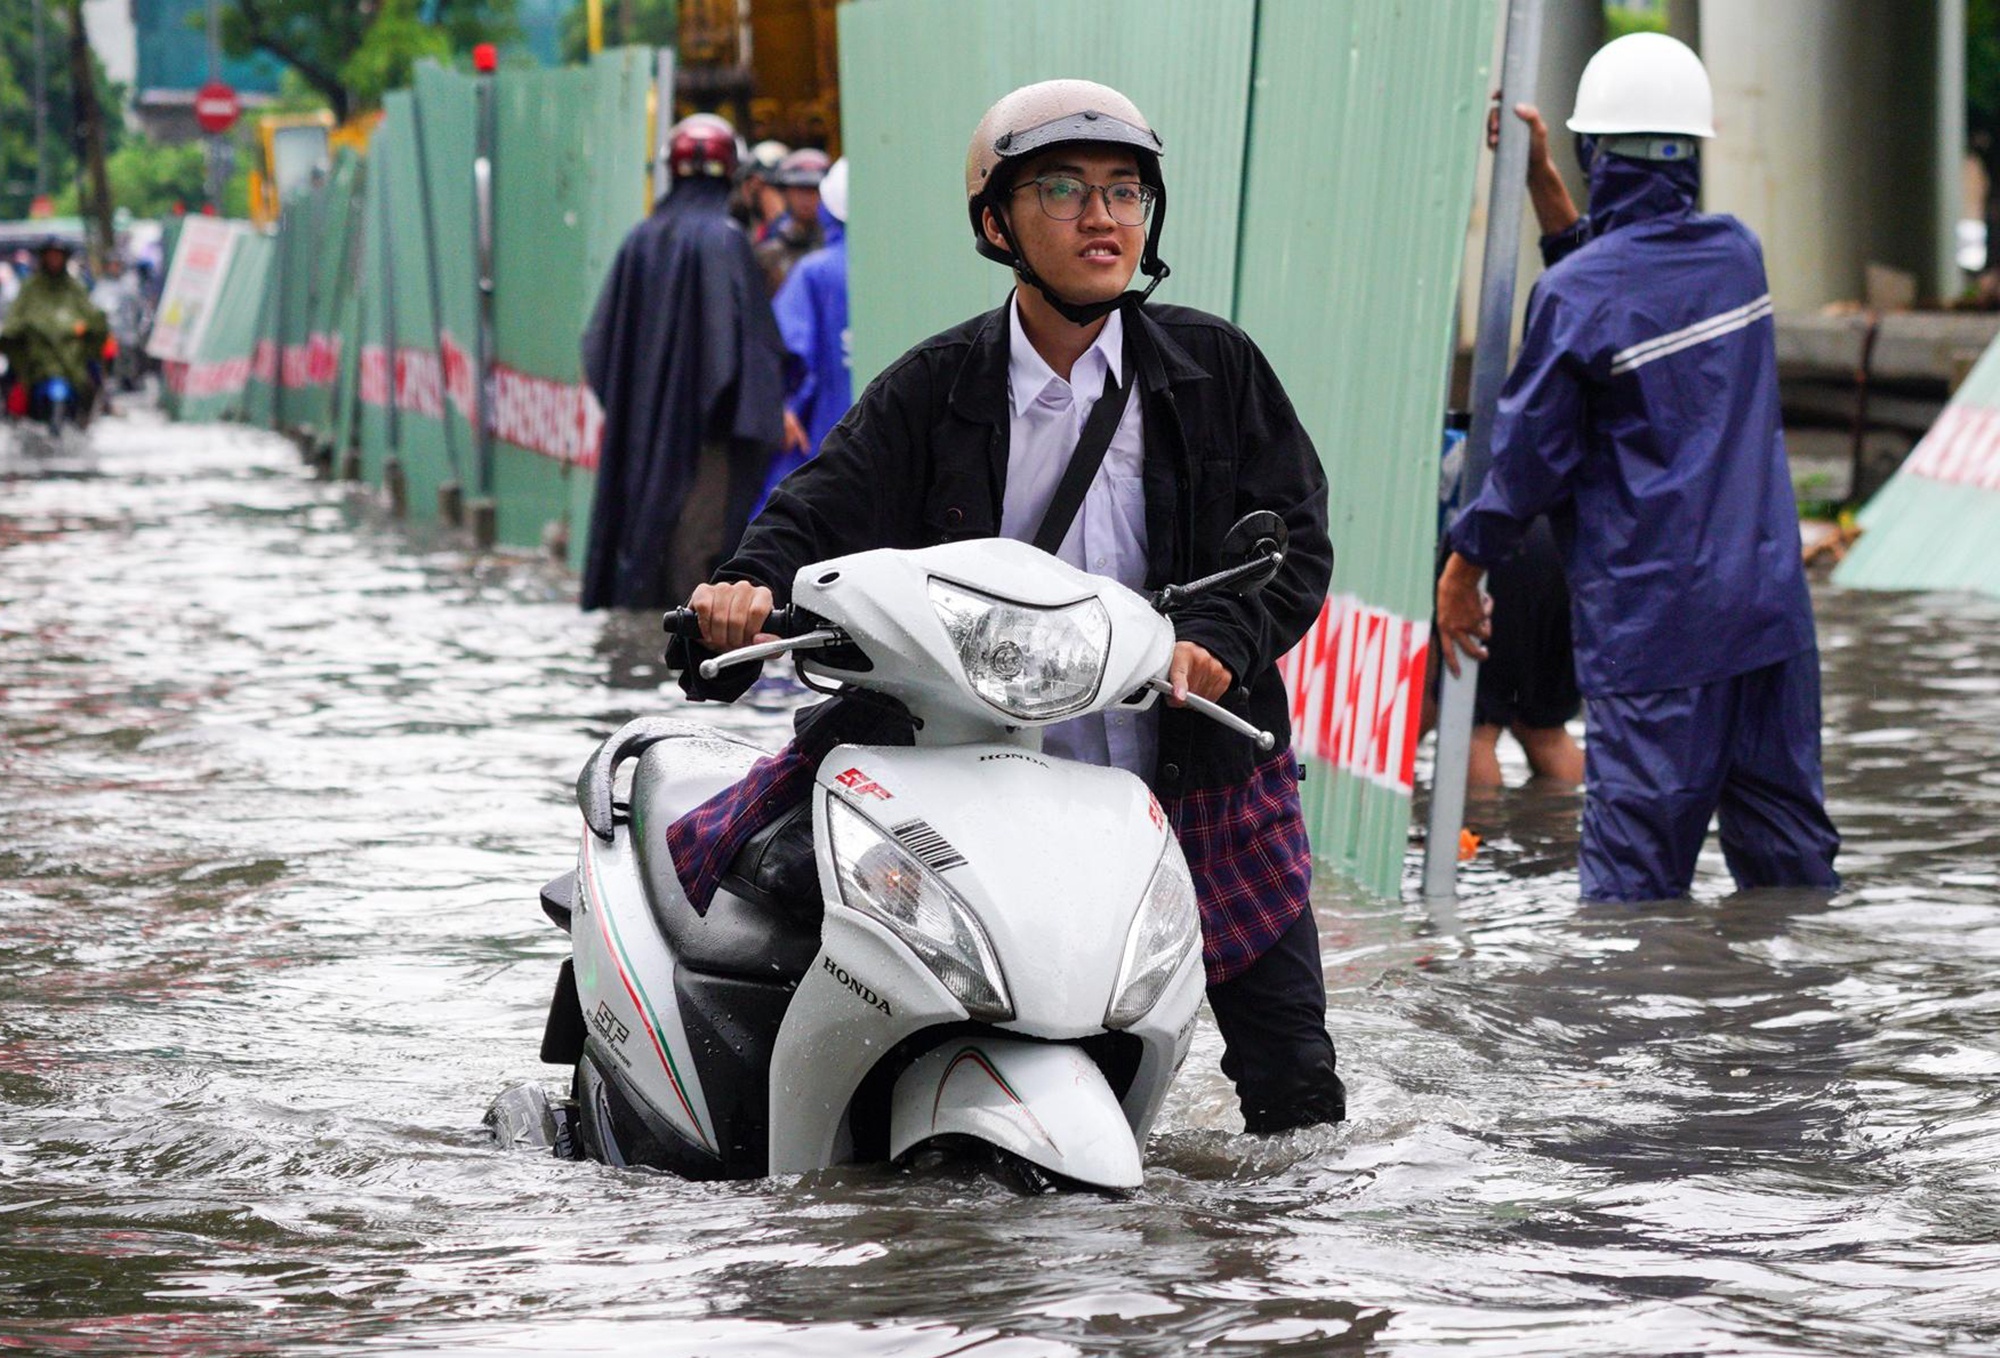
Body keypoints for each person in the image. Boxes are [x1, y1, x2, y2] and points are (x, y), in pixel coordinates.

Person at [677, 80, 1346, 1134]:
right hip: (972, 780)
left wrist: (1219, 640)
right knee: (814, 979)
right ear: (996, 223)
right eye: (1066, 191)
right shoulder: (934, 385)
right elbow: (813, 511)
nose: (1102, 218)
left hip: (1194, 775)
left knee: (1297, 1093)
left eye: (1125, 193)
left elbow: (1292, 537)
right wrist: (745, 587)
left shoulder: (1216, 369)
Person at [1435, 33, 1840, 901]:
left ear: (1596, 153)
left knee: (1633, 903)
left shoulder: (1577, 295)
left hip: (1658, 636)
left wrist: (1463, 570)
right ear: (1692, 150)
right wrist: (1541, 181)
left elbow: (1528, 461)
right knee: (1792, 875)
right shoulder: (1739, 259)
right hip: (1771, 622)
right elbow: (1619, 288)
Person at [579, 112, 787, 612]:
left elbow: (599, 346)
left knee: (648, 542)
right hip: (709, 440)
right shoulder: (726, 240)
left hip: (643, 436)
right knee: (701, 548)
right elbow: (747, 350)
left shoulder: (640, 239)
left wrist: (641, 411)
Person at [759, 155, 851, 517]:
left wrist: (787, 408)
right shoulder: (904, 269)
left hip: (822, 439)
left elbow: (789, 352)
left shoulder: (814, 272)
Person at [0, 237, 108, 425]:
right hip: (36, 357)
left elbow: (92, 318)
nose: (54, 260)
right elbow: (15, 319)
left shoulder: (75, 288)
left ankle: (89, 414)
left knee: (94, 379)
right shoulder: (30, 288)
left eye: (57, 256)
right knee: (11, 381)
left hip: (71, 357)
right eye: (50, 256)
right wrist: (15, 333)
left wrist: (90, 328)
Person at [754, 148, 836, 295]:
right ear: (785, 192)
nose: (806, 198)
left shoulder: (837, 251)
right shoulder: (768, 257)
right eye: (799, 189)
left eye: (813, 190)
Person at [731, 139, 790, 243]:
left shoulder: (781, 232)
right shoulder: (767, 228)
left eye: (745, 182)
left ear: (755, 182)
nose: (742, 191)